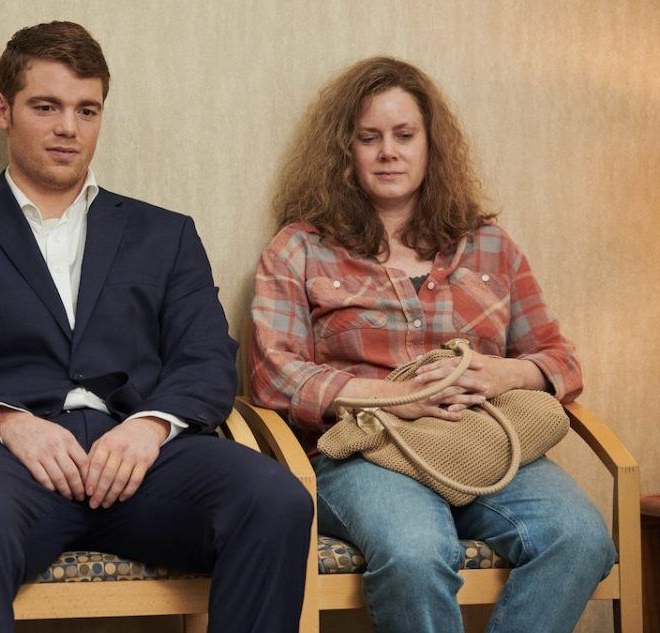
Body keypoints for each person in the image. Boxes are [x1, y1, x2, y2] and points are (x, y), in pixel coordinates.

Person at [0, 20, 312, 633]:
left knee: (276, 499)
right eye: (46, 106)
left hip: (144, 462)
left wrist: (150, 427)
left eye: (87, 110)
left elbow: (207, 358)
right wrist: (10, 422)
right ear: (3, 111)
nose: (68, 127)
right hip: (6, 463)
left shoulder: (166, 234)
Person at [250, 56, 616, 633]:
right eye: (369, 138)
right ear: (345, 150)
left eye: (404, 135)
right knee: (416, 553)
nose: (388, 152)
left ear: (430, 145)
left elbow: (560, 360)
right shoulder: (299, 248)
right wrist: (395, 399)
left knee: (581, 539)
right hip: (367, 454)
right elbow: (274, 374)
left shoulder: (490, 245)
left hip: (485, 445)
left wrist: (503, 374)